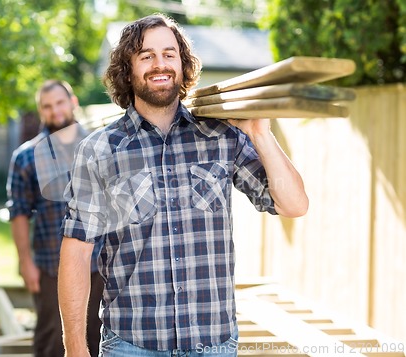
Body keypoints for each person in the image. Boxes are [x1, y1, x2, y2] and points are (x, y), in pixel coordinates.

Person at [58, 14, 309, 357]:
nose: (159, 64)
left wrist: (261, 133)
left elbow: (294, 205)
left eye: (169, 53)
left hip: (213, 344)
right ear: (127, 69)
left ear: (183, 62)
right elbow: (76, 252)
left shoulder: (222, 137)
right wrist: (74, 347)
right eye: (146, 56)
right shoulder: (99, 150)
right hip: (131, 346)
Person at [6, 80, 103, 357]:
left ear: (73, 103)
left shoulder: (101, 146)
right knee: (51, 338)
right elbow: (19, 212)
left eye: (60, 103)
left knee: (99, 336)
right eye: (47, 106)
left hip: (99, 265)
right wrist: (25, 262)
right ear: (41, 111)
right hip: (50, 266)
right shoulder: (25, 157)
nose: (55, 111)